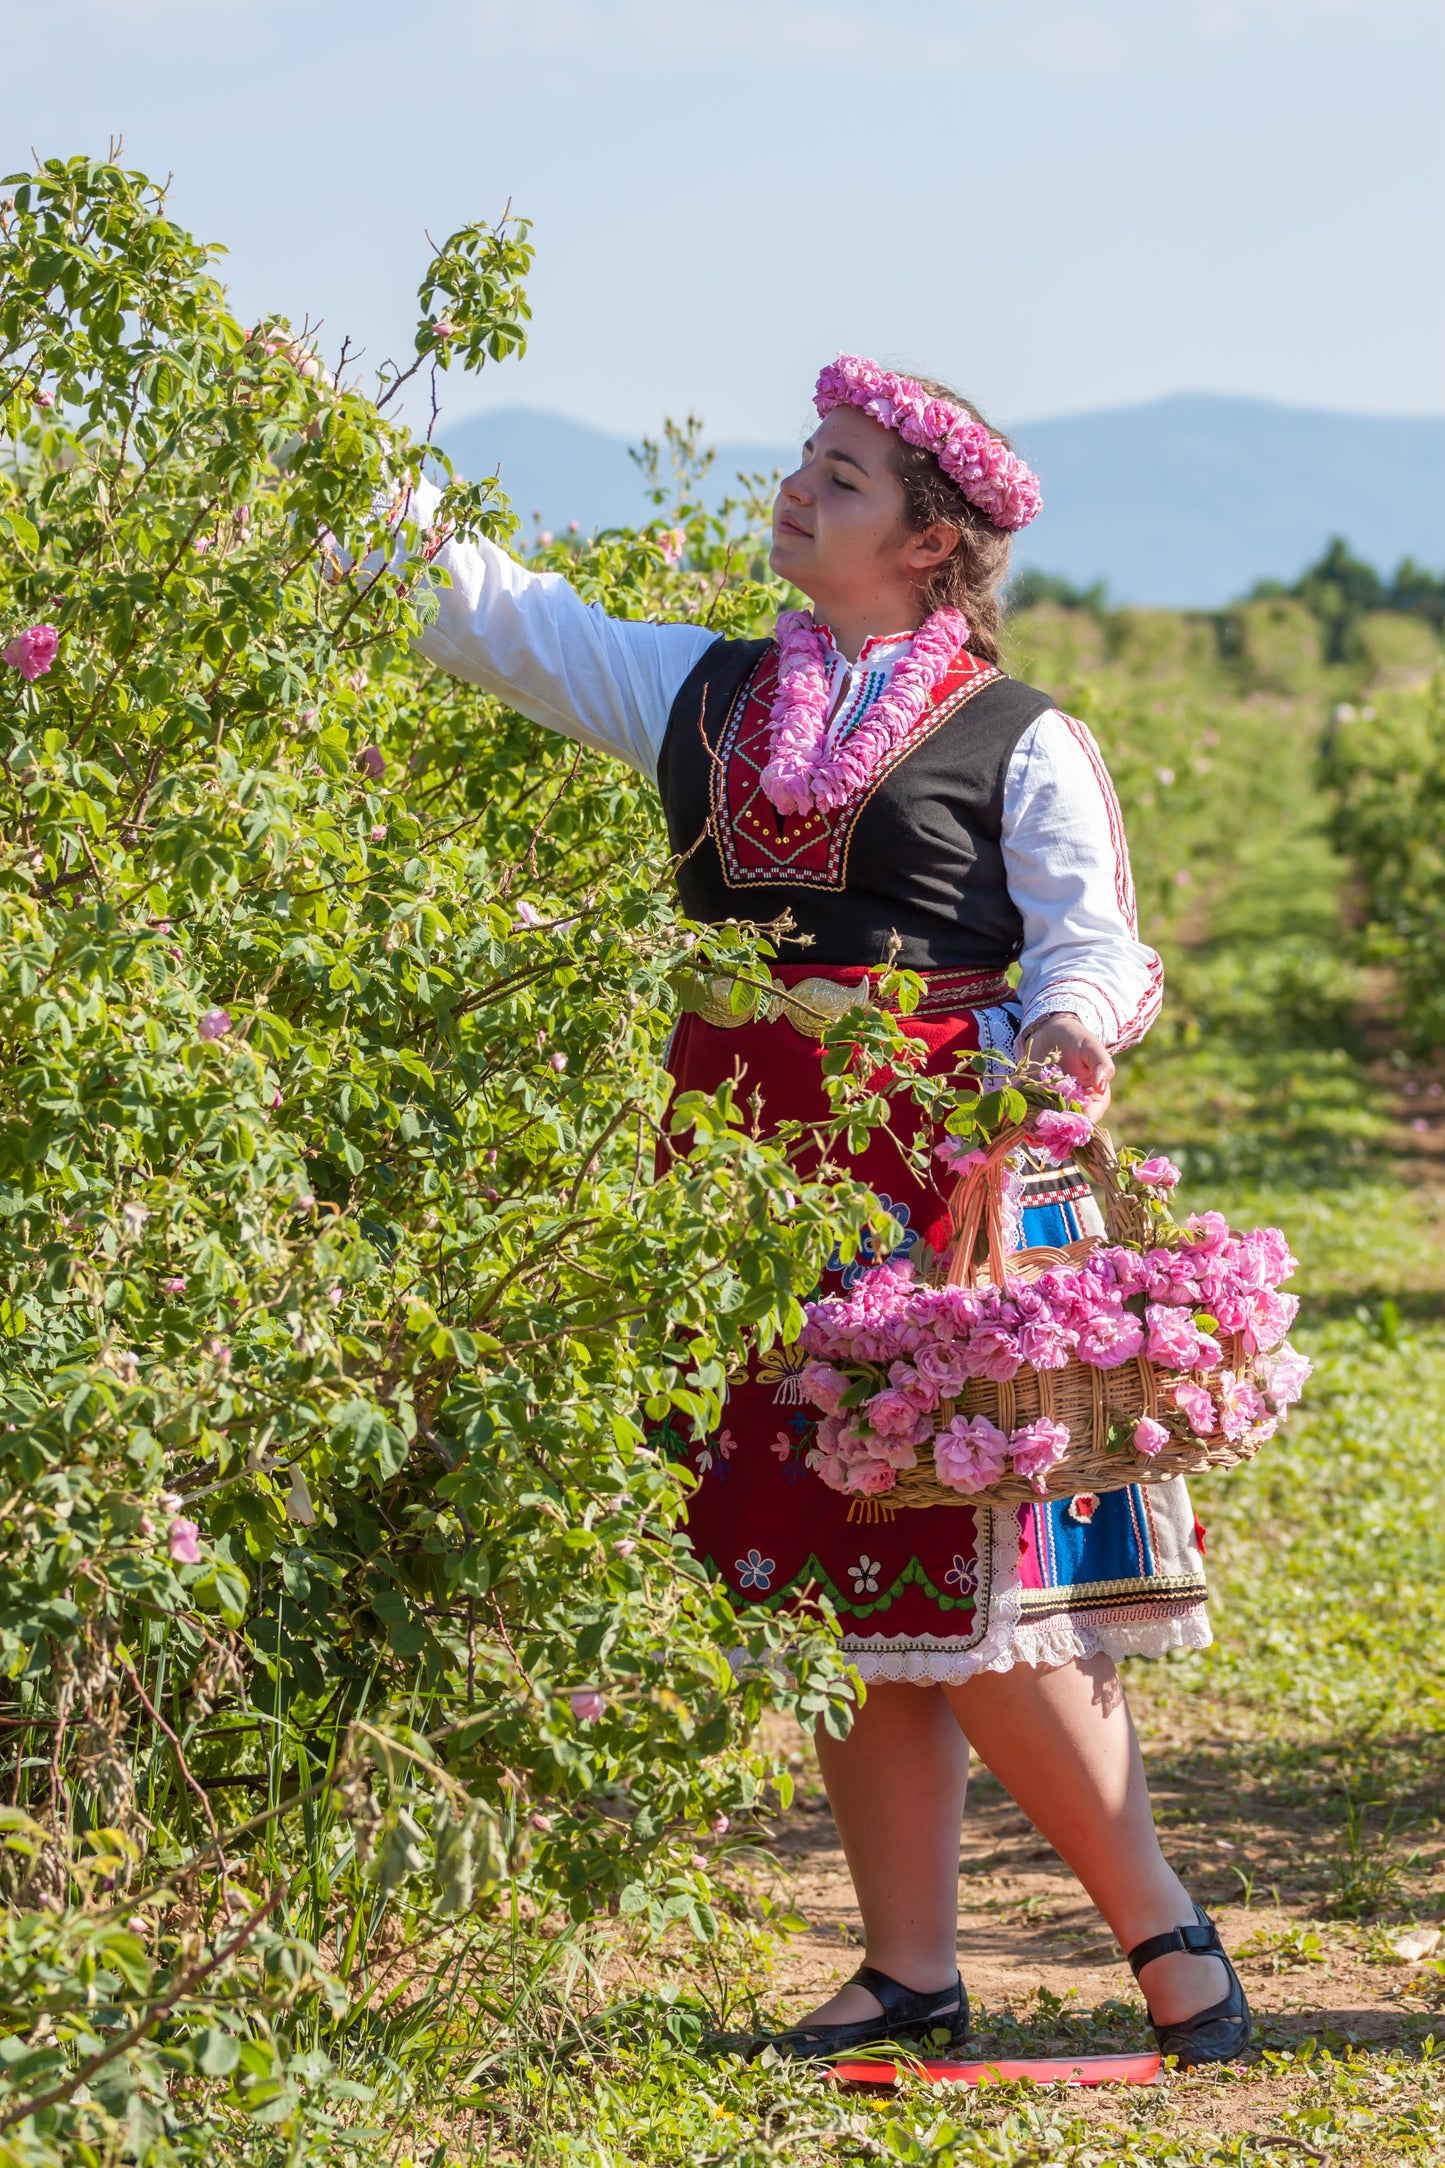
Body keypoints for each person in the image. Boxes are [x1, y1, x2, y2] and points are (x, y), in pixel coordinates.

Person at [398, 357, 1249, 2067]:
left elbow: (1089, 949)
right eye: (805, 463)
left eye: (840, 478)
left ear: (932, 544)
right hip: (739, 1182)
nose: (796, 490)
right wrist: (345, 468)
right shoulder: (699, 696)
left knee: (981, 1592)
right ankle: (908, 1974)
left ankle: (1174, 1950)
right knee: (853, 1590)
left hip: (949, 1179)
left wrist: (1049, 1077)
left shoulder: (1022, 737)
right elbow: (494, 617)